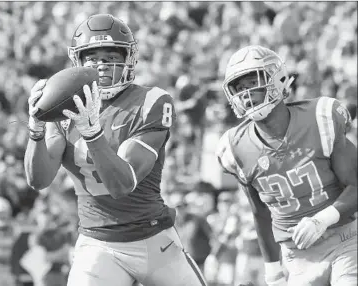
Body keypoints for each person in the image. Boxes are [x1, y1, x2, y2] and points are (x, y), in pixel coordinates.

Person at [24, 14, 206, 286]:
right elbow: (39, 180)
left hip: (153, 239)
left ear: (128, 58)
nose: (102, 66)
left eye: (111, 57)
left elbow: (123, 183)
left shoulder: (151, 101)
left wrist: (92, 133)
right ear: (78, 61)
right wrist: (36, 130)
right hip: (98, 244)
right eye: (93, 58)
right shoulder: (64, 109)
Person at [216, 45, 357, 286]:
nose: (246, 94)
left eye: (252, 83)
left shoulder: (320, 118)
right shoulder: (235, 147)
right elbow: (260, 213)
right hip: (296, 255)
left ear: (277, 79)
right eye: (239, 88)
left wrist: (322, 219)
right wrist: (273, 272)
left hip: (344, 239)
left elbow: (355, 184)